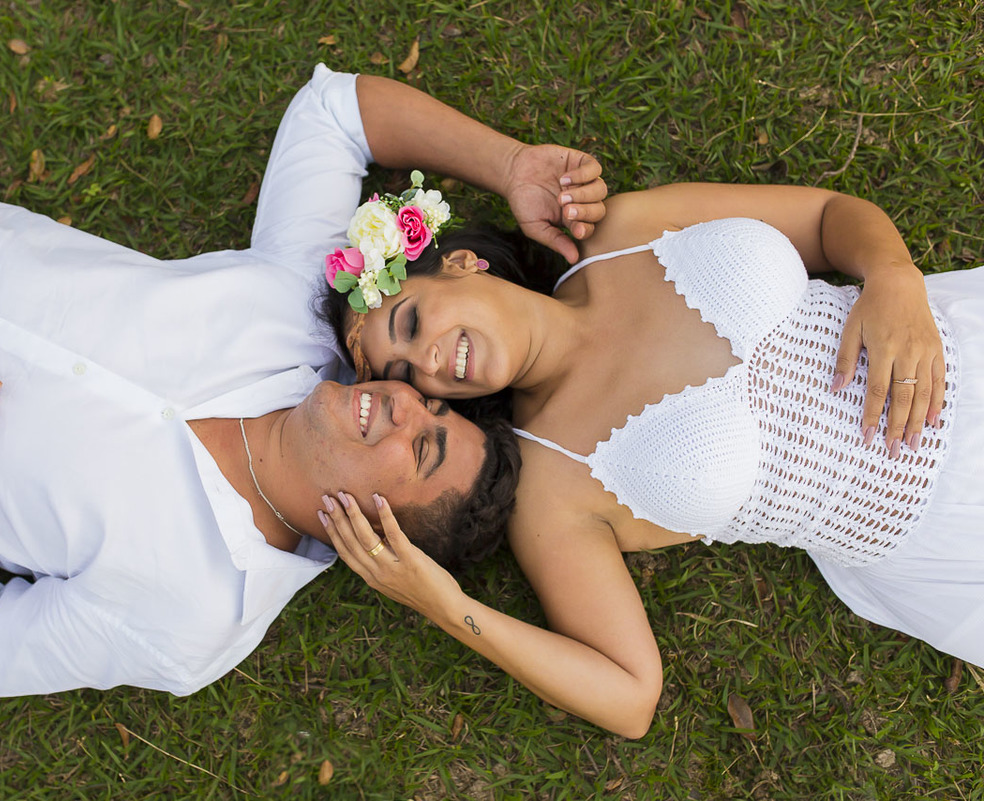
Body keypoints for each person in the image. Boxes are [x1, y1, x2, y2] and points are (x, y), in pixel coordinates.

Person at [0, 65, 607, 698]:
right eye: (431, 403)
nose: (404, 401)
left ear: (380, 536)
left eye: (422, 446)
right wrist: (511, 165)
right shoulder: (297, 313)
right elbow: (332, 112)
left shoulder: (193, 615)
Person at [319, 174, 981, 739]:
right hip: (946, 536)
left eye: (410, 323)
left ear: (460, 263)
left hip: (961, 350)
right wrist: (445, 605)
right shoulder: (551, 491)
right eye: (407, 375)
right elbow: (631, 696)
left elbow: (828, 216)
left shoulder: (626, 230)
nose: (429, 362)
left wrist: (893, 274)